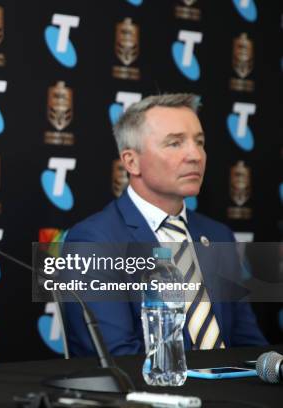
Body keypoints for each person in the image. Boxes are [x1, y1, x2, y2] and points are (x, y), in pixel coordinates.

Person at [64, 93, 267, 357]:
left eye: (200, 142)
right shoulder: (93, 241)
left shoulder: (218, 235)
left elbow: (248, 343)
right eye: (174, 143)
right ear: (131, 161)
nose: (195, 155)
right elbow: (118, 357)